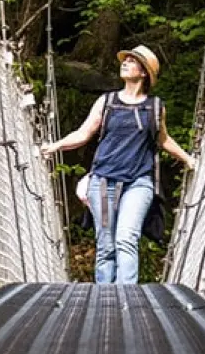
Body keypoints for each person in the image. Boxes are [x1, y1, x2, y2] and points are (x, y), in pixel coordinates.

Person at [41, 45, 196, 284]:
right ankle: (106, 300)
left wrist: (189, 159)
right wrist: (56, 145)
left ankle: (127, 299)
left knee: (126, 238)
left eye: (133, 61)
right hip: (103, 180)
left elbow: (163, 139)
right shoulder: (107, 102)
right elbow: (84, 133)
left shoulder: (154, 107)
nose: (125, 62)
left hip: (139, 181)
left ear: (144, 73)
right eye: (126, 60)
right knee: (106, 245)